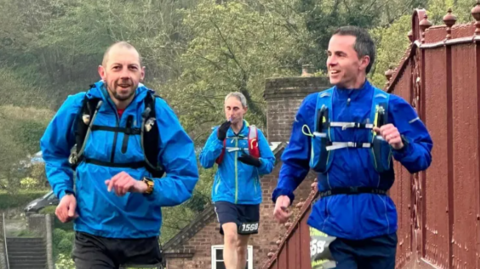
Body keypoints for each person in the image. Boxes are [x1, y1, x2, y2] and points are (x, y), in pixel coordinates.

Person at [272, 26, 433, 269]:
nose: (330, 62)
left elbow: (423, 157)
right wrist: (284, 193)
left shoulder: (391, 106)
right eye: (329, 54)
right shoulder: (312, 107)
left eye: (340, 55)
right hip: (325, 226)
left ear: (363, 61)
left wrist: (402, 145)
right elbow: (295, 159)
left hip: (378, 225)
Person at [40, 41, 199, 269]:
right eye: (117, 68)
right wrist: (64, 192)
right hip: (91, 235)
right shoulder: (79, 107)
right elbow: (53, 152)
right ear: (102, 72)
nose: (125, 75)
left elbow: (185, 179)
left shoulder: (158, 114)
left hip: (141, 237)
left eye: (132, 68)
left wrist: (143, 185)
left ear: (141, 73)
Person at [199, 92, 275, 269]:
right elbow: (205, 162)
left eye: (235, 108)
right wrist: (218, 140)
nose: (231, 113)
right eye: (228, 108)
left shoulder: (255, 135)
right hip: (224, 195)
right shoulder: (218, 133)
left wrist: (256, 162)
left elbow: (270, 164)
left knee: (242, 247)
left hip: (249, 197)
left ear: (244, 110)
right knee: (230, 235)